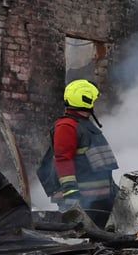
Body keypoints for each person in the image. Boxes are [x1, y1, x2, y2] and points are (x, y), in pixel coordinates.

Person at [37, 79, 119, 228]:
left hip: (98, 199)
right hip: (82, 200)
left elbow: (99, 163)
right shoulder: (66, 126)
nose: (95, 103)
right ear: (87, 99)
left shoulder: (84, 125)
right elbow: (63, 160)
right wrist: (71, 194)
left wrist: (113, 189)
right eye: (93, 99)